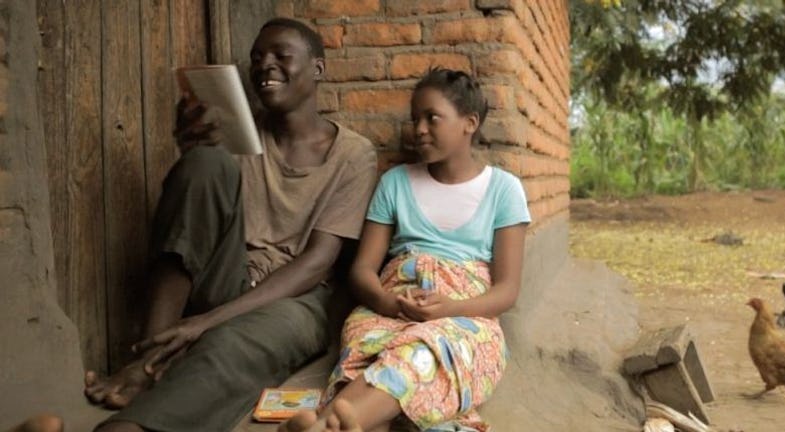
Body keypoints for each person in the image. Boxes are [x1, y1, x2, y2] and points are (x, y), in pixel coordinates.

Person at [82, 17, 378, 432]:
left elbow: (317, 263)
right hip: (228, 273)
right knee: (203, 164)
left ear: (317, 69)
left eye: (280, 55)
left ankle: (134, 426)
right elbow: (192, 216)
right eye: (257, 58)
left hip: (297, 299)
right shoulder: (236, 132)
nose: (265, 65)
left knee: (229, 344)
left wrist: (204, 322)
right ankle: (145, 361)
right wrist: (191, 149)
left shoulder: (354, 154)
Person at [279, 68, 531, 432]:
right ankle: (345, 424)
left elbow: (507, 290)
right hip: (390, 307)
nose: (420, 129)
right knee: (376, 354)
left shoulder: (504, 190)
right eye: (415, 119)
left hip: (466, 318)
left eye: (432, 118)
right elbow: (362, 270)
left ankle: (322, 424)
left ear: (469, 123)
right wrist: (388, 303)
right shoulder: (395, 183)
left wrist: (451, 309)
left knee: (425, 350)